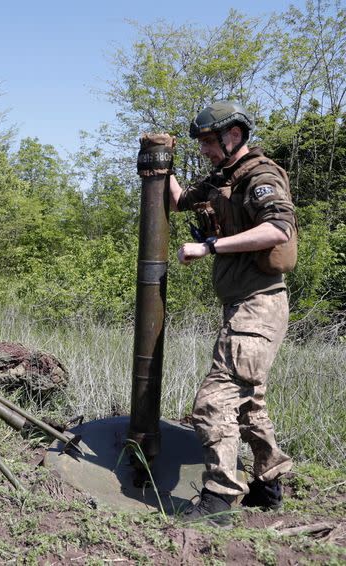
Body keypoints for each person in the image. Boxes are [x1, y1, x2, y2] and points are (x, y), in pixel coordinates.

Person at [168, 101, 297, 525]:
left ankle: (219, 499)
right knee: (248, 402)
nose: (203, 150)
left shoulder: (260, 176)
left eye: (208, 141)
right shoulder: (221, 179)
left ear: (233, 135)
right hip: (241, 304)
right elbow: (180, 200)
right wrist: (158, 162)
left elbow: (278, 229)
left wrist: (209, 247)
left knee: (213, 401)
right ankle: (268, 484)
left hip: (260, 303)